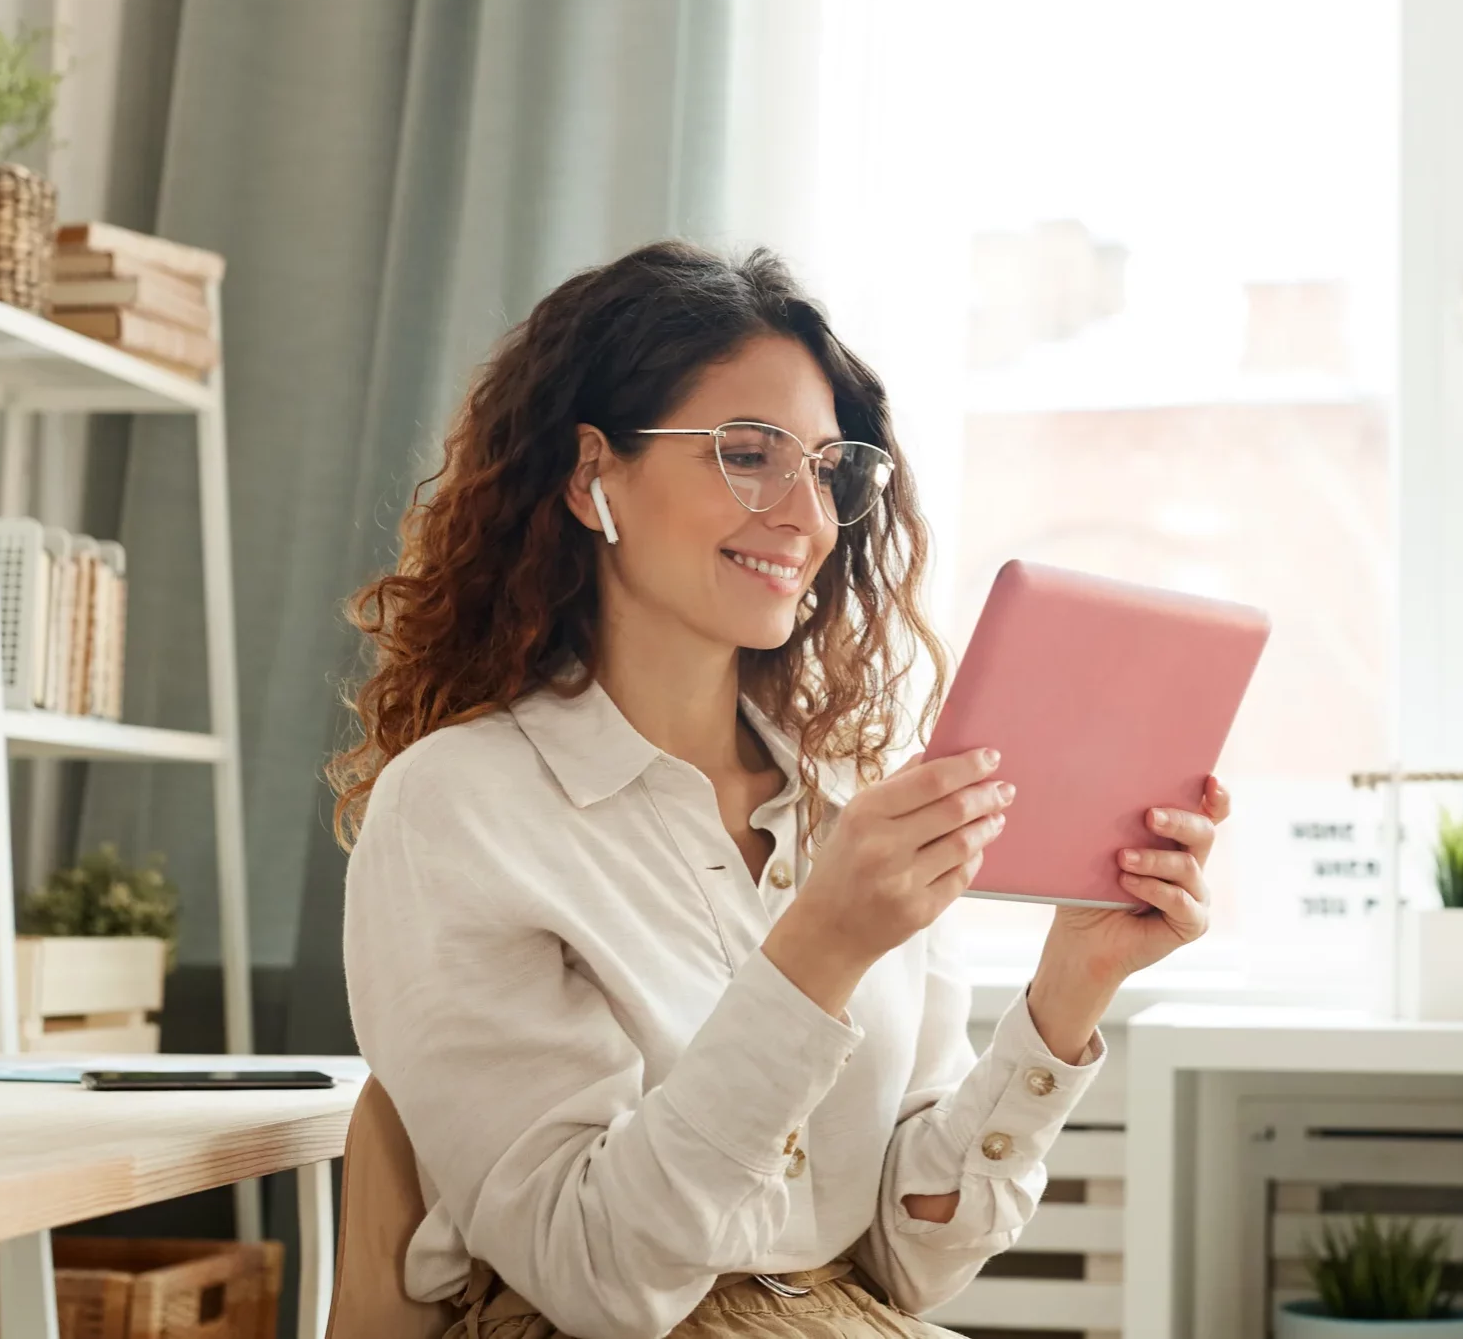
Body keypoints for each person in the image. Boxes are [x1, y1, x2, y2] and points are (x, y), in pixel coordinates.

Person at [335, 242, 1227, 1339]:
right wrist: (820, 946)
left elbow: (913, 1257)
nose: (805, 514)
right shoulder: (459, 808)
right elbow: (601, 1278)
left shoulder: (856, 810)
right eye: (747, 454)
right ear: (590, 474)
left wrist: (1069, 990)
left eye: (828, 468)